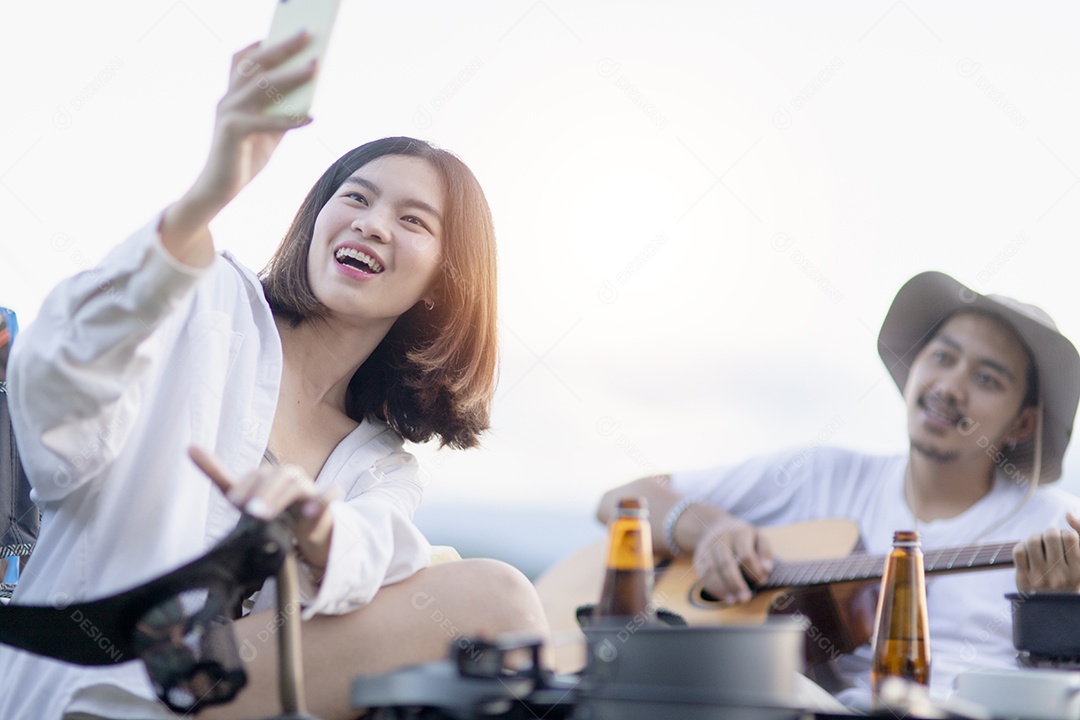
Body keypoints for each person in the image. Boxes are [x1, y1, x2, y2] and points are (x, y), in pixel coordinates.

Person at [0, 34, 548, 720]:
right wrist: (211, 190)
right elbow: (55, 403)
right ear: (318, 219)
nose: (373, 224)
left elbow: (377, 549)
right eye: (356, 197)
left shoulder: (379, 465)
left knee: (488, 612)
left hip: (216, 692)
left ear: (442, 284)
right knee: (497, 600)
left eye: (412, 220)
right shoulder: (206, 301)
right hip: (94, 691)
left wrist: (320, 535)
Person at [597, 270, 1080, 709]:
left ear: (1023, 423)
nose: (951, 386)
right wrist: (707, 529)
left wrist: (1056, 619)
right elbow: (620, 499)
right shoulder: (822, 474)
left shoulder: (1060, 526)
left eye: (986, 378)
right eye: (942, 357)